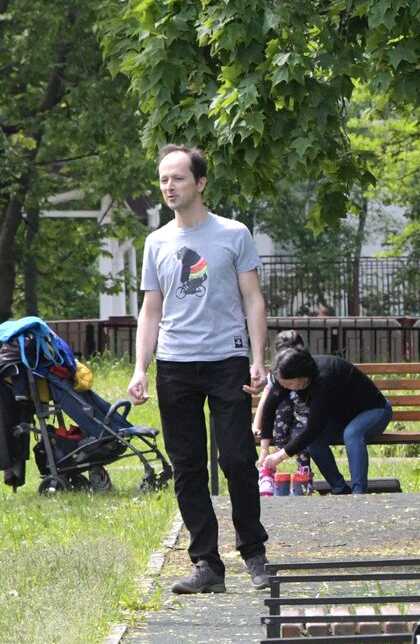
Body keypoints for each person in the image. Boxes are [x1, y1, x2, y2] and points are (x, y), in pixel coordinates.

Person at [127, 144, 272, 594]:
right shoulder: (157, 242)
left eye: (178, 178)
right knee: (188, 467)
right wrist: (140, 368)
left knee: (237, 459)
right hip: (174, 365)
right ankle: (206, 564)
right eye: (164, 180)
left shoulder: (234, 234)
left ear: (201, 183)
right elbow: (151, 310)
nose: (169, 187)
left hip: (226, 360)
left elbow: (253, 300)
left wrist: (258, 359)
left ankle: (254, 554)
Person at [258, 348, 392, 494]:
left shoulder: (324, 378)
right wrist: (264, 449)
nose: (285, 388)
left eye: (288, 385)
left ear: (302, 376)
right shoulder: (286, 378)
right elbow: (270, 407)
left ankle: (358, 494)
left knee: (352, 434)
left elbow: (313, 428)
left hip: (374, 410)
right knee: (314, 441)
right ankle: (340, 489)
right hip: (342, 417)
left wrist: (280, 455)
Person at [253, 330, 312, 494]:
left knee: (301, 435)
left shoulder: (307, 371)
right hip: (282, 422)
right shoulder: (278, 375)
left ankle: (304, 475)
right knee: (282, 403)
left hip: (303, 421)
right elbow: (267, 403)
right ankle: (268, 471)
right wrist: (256, 425)